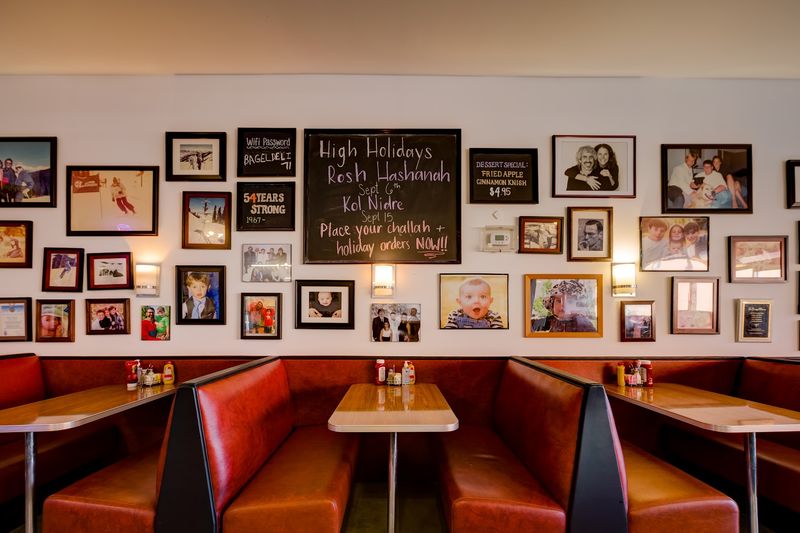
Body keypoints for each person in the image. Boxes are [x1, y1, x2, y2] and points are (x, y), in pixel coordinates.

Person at [531, 280, 595, 333]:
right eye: (559, 301)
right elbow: (535, 324)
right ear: (551, 303)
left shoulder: (583, 324)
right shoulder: (552, 320)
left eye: (569, 302)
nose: (563, 306)